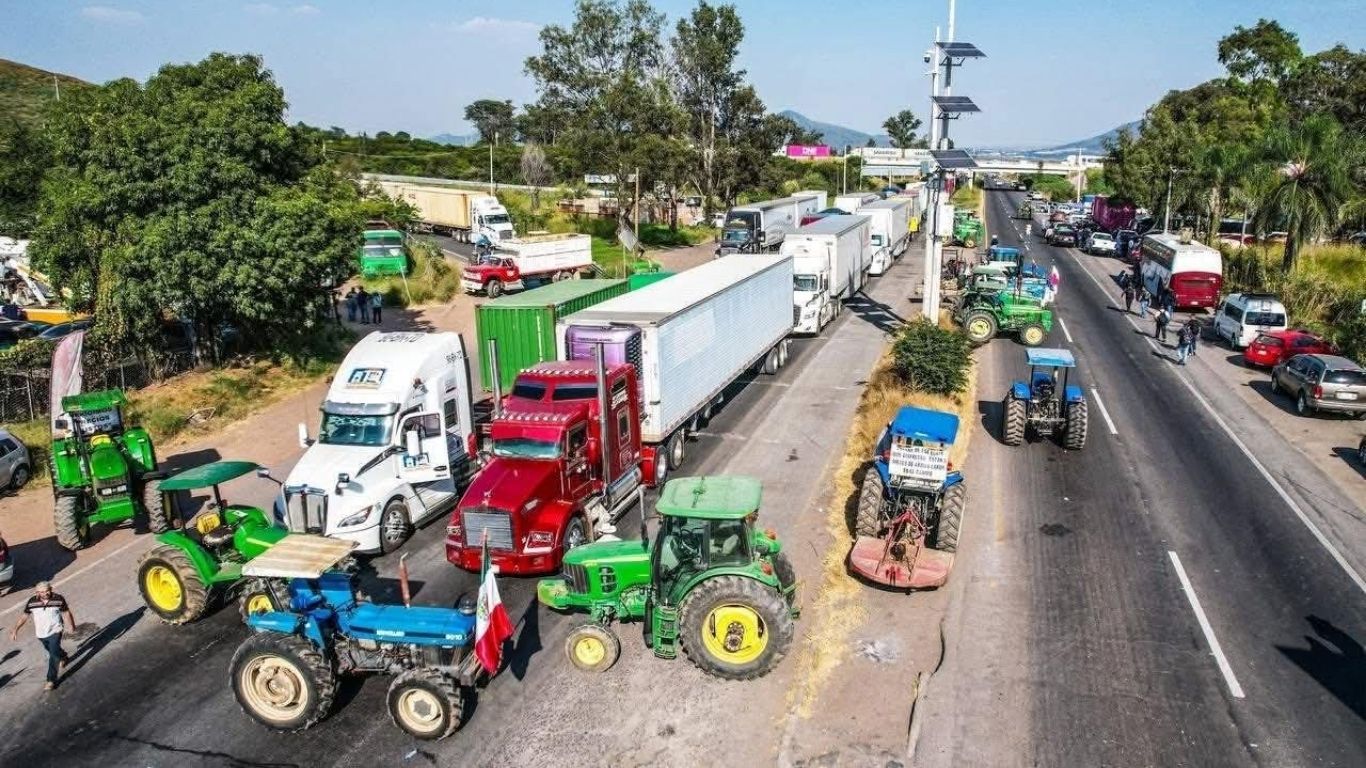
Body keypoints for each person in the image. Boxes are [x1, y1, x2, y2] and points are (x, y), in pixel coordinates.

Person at [11, 581, 75, 690]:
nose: (45, 593)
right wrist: (15, 629)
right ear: (37, 593)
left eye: (47, 591)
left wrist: (72, 625)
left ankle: (51, 680)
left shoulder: (58, 599)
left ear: (51, 589)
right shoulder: (32, 602)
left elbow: (66, 613)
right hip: (41, 634)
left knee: (52, 655)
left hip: (56, 630)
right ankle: (63, 656)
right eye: (42, 592)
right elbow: (24, 617)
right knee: (53, 650)